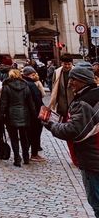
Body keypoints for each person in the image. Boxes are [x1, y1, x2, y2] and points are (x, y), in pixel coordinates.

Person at [45, 63, 99, 217]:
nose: (69, 83)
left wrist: (51, 124)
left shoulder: (84, 102)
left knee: (96, 202)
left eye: (73, 79)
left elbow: (74, 131)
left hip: (92, 159)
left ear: (82, 80)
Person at [0, 68, 34, 167]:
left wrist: (1, 116)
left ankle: (17, 158)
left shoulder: (6, 87)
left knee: (14, 138)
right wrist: (33, 115)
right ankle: (26, 157)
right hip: (24, 114)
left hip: (11, 115)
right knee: (24, 137)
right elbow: (30, 103)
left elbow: (3, 104)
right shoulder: (25, 86)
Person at [22, 66, 46, 162]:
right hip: (34, 113)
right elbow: (37, 99)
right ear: (28, 75)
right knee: (35, 134)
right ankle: (34, 154)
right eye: (33, 74)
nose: (35, 75)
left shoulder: (23, 83)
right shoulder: (31, 84)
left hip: (26, 113)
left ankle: (26, 154)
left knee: (28, 134)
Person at [49, 54, 75, 119]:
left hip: (74, 103)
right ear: (61, 63)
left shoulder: (76, 71)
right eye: (65, 64)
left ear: (72, 63)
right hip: (61, 105)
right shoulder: (57, 72)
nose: (67, 66)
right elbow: (54, 86)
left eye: (69, 64)